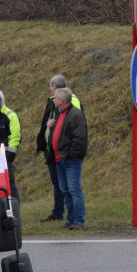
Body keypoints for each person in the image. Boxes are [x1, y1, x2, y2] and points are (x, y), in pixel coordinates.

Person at [36, 75, 83, 223]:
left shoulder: (73, 108)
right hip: (55, 153)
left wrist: (69, 154)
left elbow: (76, 134)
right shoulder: (55, 105)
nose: (49, 90)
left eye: (50, 86)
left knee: (72, 188)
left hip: (67, 155)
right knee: (62, 186)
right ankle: (67, 216)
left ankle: (75, 219)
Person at [49, 87, 88, 230]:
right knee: (65, 190)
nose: (53, 100)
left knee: (74, 189)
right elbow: (61, 134)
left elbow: (79, 139)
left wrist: (70, 155)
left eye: (55, 98)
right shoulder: (60, 113)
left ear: (61, 100)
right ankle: (70, 219)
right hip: (60, 158)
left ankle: (78, 220)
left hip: (70, 159)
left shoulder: (75, 115)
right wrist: (52, 127)